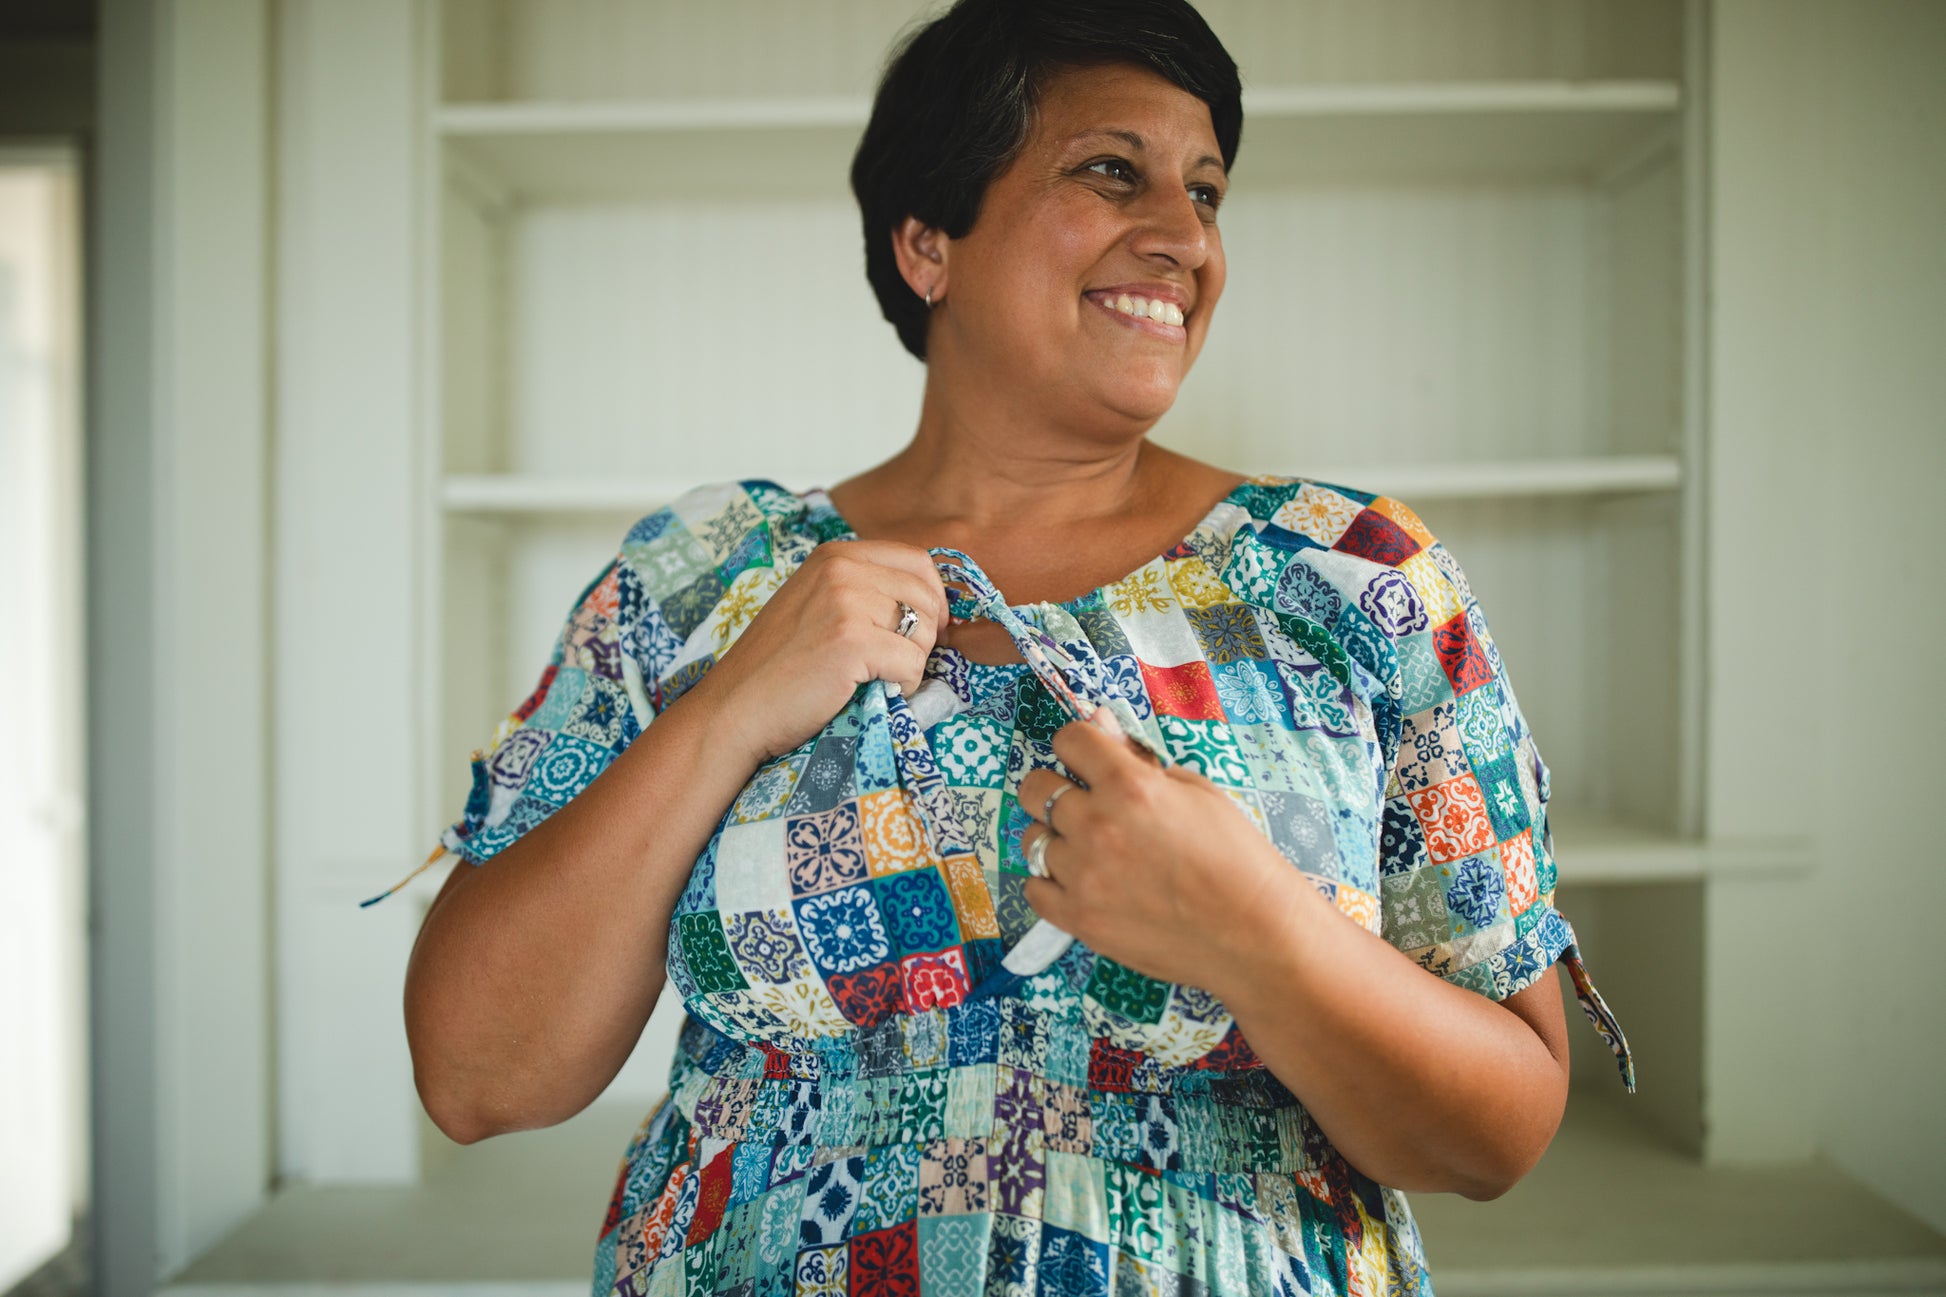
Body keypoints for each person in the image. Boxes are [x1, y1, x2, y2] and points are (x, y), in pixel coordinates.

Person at [388, 1, 1635, 1292]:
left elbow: (1502, 1124)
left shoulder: (1356, 580)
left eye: (1203, 191)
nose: (1182, 240)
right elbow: (475, 1073)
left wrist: (1257, 933)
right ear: (926, 240)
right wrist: (727, 711)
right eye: (1110, 171)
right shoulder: (703, 577)